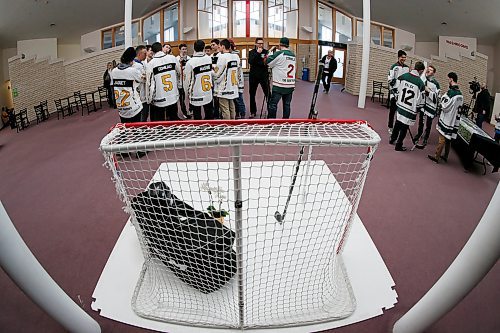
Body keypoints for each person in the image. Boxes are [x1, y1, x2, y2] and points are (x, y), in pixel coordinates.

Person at [389, 61, 425, 151]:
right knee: (404, 127)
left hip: (401, 105)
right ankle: (398, 145)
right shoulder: (420, 83)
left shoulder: (404, 76)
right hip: (410, 109)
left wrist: (397, 97)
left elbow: (396, 88)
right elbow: (421, 100)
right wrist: (418, 108)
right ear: (420, 71)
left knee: (397, 123)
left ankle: (392, 139)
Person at [428, 72, 463, 163]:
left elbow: (444, 105)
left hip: (447, 119)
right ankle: (445, 156)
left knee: (442, 138)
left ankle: (436, 157)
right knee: (448, 139)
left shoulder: (451, 92)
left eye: (448, 79)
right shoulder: (460, 94)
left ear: (451, 79)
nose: (448, 81)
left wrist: (440, 102)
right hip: (453, 120)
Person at [146, 42, 182, 121]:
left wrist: (149, 99)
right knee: (173, 118)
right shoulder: (172, 58)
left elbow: (150, 84)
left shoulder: (151, 64)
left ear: (152, 51)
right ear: (161, 49)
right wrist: (179, 85)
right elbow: (179, 72)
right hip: (173, 95)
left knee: (160, 121)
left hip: (159, 97)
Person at [110, 47, 143, 126]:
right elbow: (141, 80)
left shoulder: (114, 71)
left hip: (122, 109)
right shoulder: (132, 70)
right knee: (138, 131)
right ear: (131, 60)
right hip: (134, 107)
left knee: (126, 130)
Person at [265, 37, 296, 119]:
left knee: (273, 105)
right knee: (287, 105)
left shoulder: (279, 54)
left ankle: (271, 122)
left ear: (280, 44)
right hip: (290, 84)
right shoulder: (293, 55)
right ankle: (285, 122)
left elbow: (268, 62)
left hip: (279, 85)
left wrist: (270, 52)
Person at [184, 40, 214, 120]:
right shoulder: (209, 59)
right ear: (204, 48)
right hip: (207, 91)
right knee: (209, 115)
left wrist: (187, 93)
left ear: (194, 48)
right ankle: (211, 130)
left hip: (196, 93)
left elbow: (187, 81)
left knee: (197, 117)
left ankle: (199, 130)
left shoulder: (190, 62)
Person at [413, 65, 440, 148]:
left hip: (431, 106)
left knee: (428, 124)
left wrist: (429, 92)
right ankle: (419, 134)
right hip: (423, 104)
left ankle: (425, 138)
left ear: (434, 73)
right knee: (421, 121)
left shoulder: (436, 84)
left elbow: (437, 97)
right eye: (428, 69)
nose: (429, 71)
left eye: (431, 70)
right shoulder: (423, 79)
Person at [213, 39, 240, 120]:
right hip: (233, 86)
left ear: (223, 47)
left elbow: (218, 74)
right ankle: (233, 124)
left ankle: (228, 127)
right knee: (232, 107)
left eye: (220, 46)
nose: (219, 47)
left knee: (225, 109)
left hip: (224, 88)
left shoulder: (222, 57)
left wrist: (212, 71)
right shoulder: (236, 56)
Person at [388, 50, 409, 133]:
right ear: (398, 57)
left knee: (400, 111)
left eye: (405, 57)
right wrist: (394, 87)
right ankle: (390, 126)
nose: (403, 59)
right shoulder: (394, 67)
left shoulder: (407, 68)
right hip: (395, 92)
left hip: (403, 93)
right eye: (402, 57)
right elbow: (390, 79)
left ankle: (398, 127)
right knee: (392, 110)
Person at [248, 37, 269, 119]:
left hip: (263, 76)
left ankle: (269, 111)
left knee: (268, 94)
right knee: (252, 94)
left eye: (262, 43)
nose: (260, 45)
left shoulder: (266, 52)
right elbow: (250, 61)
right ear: (255, 44)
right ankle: (253, 112)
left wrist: (259, 62)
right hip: (253, 76)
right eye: (259, 43)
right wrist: (257, 53)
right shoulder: (251, 52)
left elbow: (265, 63)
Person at [229, 39, 246, 119]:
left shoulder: (235, 56)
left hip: (237, 80)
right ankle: (237, 113)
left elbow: (238, 70)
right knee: (234, 99)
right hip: (232, 81)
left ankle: (242, 113)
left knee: (239, 98)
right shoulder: (227, 55)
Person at [132, 45, 149, 122]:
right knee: (143, 114)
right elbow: (143, 79)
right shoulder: (137, 66)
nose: (146, 55)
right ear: (139, 54)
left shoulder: (138, 64)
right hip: (141, 93)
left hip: (139, 93)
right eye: (144, 53)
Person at [176, 43, 191, 118]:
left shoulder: (189, 59)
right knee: (182, 98)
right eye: (183, 49)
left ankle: (190, 110)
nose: (184, 51)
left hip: (188, 81)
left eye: (185, 49)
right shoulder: (176, 59)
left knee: (189, 97)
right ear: (179, 50)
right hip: (180, 82)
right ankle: (184, 112)